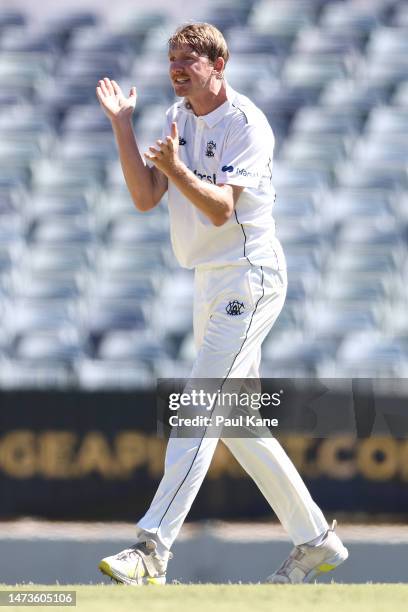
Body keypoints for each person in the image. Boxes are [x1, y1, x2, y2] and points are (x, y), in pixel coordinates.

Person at [96, 22, 348, 585]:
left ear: (219, 64)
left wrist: (176, 168)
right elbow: (143, 198)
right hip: (211, 280)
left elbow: (218, 211)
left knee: (199, 405)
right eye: (172, 61)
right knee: (236, 423)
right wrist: (122, 125)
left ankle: (152, 549)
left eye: (189, 61)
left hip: (250, 277)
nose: (177, 70)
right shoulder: (176, 116)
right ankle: (316, 539)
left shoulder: (246, 124)